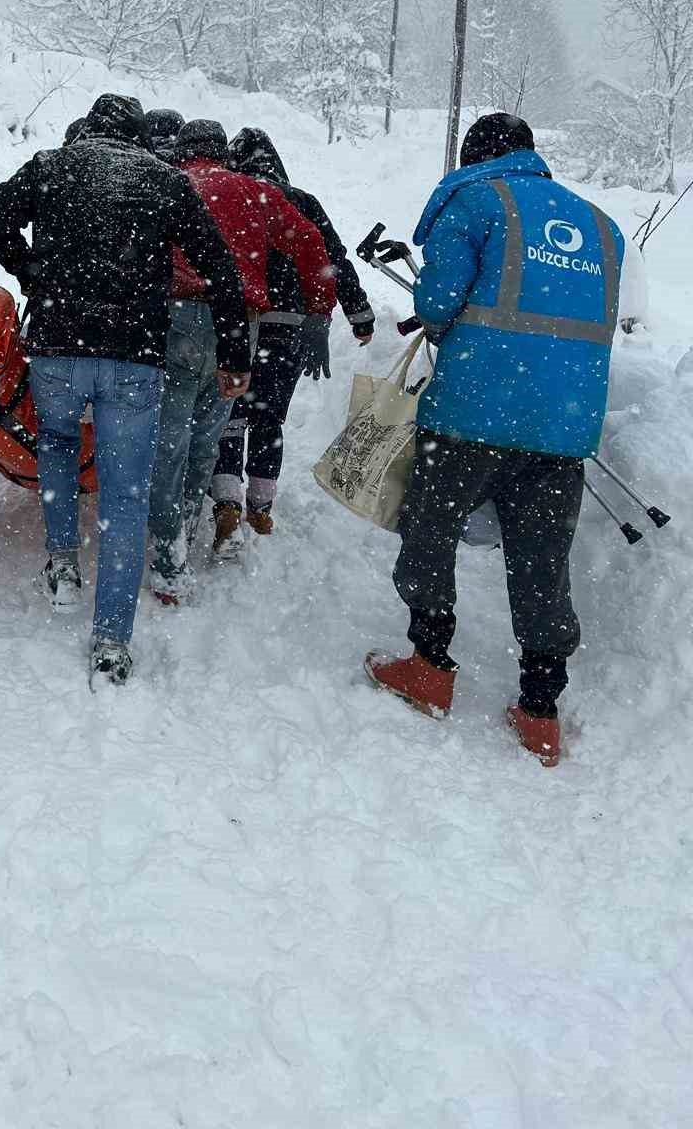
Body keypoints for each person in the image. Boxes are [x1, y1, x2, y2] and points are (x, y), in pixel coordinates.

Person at [364, 112, 624, 767]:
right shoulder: (600, 224)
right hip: (564, 424)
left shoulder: (478, 200)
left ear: (475, 156)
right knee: (542, 556)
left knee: (429, 530)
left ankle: (429, 666)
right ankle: (540, 708)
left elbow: (438, 302)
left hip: (472, 413)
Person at [0, 93, 250, 684]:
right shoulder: (164, 181)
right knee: (126, 496)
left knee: (55, 443)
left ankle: (63, 559)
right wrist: (233, 354)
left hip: (57, 342)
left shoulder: (51, 165)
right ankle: (111, 641)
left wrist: (32, 272)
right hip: (135, 353)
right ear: (138, 136)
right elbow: (221, 270)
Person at [148, 120, 338, 601]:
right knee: (207, 435)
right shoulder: (255, 192)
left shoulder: (171, 186)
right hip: (240, 327)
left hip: (178, 318)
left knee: (169, 438)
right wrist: (319, 307)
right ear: (223, 154)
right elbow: (312, 244)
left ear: (184, 150)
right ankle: (189, 534)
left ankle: (168, 552)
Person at [209, 127, 375, 548]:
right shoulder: (301, 201)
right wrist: (359, 313)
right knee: (269, 417)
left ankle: (226, 498)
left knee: (229, 414)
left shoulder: (233, 197)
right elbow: (332, 259)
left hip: (239, 322)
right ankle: (261, 506)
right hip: (291, 329)